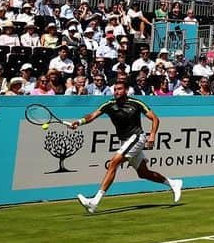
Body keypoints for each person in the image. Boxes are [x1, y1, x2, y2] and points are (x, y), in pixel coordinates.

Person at [70, 78, 182, 213]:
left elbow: (155, 118)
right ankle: (173, 183)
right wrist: (79, 121)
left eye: (119, 89)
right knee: (143, 173)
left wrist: (152, 135)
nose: (116, 92)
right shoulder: (109, 104)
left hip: (137, 137)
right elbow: (92, 115)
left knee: (113, 163)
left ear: (126, 90)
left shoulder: (136, 103)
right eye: (115, 89)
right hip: (125, 141)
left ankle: (94, 202)